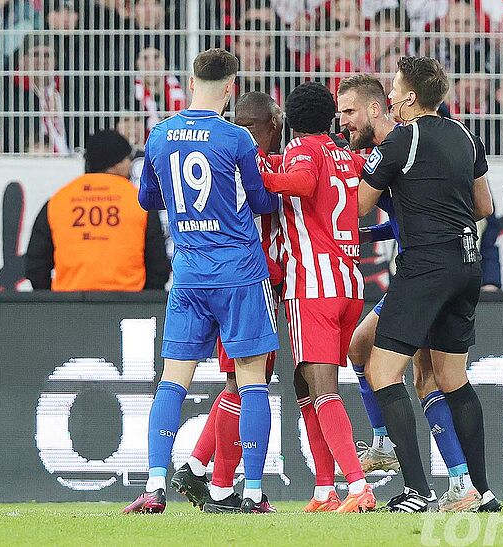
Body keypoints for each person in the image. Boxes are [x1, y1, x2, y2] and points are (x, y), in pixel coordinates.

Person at [123, 49, 280, 515]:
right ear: (231, 88)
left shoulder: (160, 135)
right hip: (239, 274)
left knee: (172, 381)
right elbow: (261, 201)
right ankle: (252, 493)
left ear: (190, 82)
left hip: (189, 274)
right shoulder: (237, 138)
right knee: (251, 381)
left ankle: (154, 485)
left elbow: (147, 199)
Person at [357, 57, 499, 513]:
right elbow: (484, 206)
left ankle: (417, 490)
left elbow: (359, 205)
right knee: (453, 379)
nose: (391, 97)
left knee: (382, 372)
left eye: (396, 89)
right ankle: (481, 492)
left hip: (425, 268)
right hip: (467, 263)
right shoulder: (465, 135)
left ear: (411, 97)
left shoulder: (404, 138)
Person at [258, 82, 376, 514]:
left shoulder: (301, 148)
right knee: (304, 383)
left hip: (313, 285)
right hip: (349, 284)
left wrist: (259, 178)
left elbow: (304, 181)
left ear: (290, 120)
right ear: (330, 117)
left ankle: (358, 486)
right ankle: (325, 490)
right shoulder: (345, 154)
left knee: (323, 388)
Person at [169, 91, 285, 514]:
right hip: (249, 282)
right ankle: (219, 484)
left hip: (220, 278)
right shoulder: (259, 165)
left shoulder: (228, 160)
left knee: (237, 383)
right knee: (246, 384)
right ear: (273, 125)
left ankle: (198, 466)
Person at [24, 129, 169, 291]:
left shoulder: (58, 201)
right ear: (116, 163)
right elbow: (158, 265)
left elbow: (36, 265)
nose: (129, 164)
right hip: (128, 300)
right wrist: (143, 299)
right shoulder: (140, 203)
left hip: (69, 300)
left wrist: (53, 300)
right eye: (127, 159)